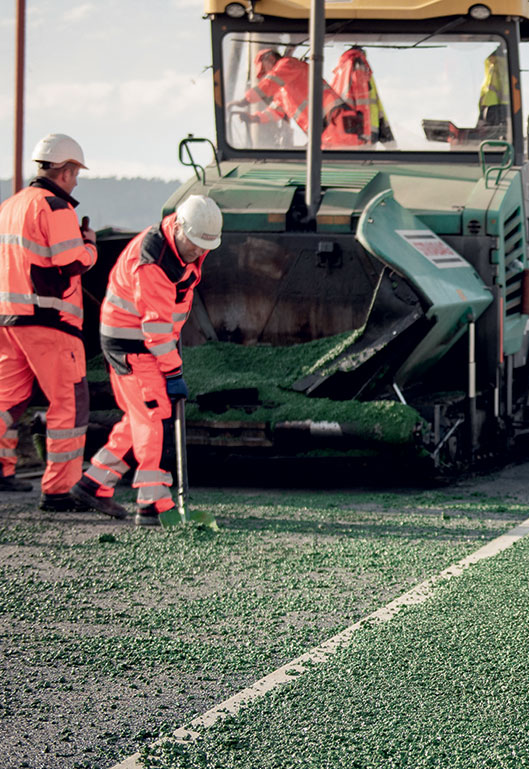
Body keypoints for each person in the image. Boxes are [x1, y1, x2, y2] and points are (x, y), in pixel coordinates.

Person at [70, 196, 223, 526]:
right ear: (179, 227)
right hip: (135, 344)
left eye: (204, 247)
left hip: (143, 341)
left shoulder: (187, 242)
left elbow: (171, 309)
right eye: (194, 244)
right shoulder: (152, 262)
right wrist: (173, 371)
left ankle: (94, 482)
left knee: (139, 416)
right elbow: (154, 326)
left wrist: (171, 347)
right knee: (155, 416)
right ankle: (152, 502)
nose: (198, 253)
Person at [0, 134, 98, 508]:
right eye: (75, 174)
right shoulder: (55, 207)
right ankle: (58, 490)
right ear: (67, 170)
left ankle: (2, 469)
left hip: (8, 320)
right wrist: (89, 246)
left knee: (6, 401)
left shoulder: (10, 206)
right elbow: (71, 261)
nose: (76, 181)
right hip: (49, 321)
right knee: (69, 405)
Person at [228, 48, 362, 148]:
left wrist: (245, 100)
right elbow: (275, 112)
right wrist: (254, 118)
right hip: (325, 131)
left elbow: (269, 83)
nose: (266, 74)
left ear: (269, 59)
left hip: (337, 123)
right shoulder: (283, 91)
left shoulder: (288, 64)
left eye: (264, 70)